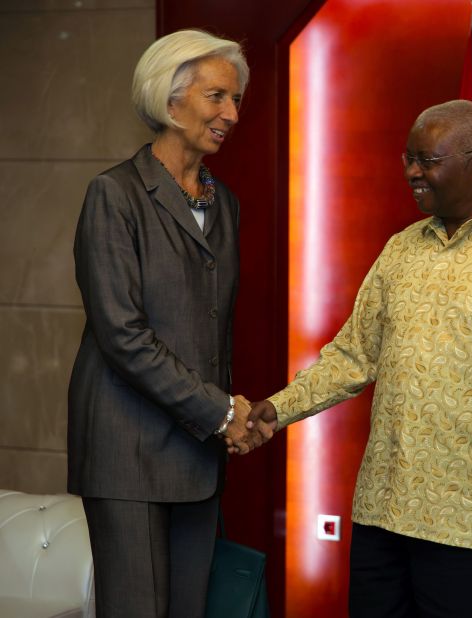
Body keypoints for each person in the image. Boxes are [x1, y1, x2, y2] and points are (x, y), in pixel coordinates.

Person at [242, 100, 472, 617]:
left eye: (427, 160)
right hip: (384, 513)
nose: (411, 172)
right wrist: (280, 406)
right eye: (408, 157)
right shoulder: (402, 249)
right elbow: (354, 356)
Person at [67, 29, 274, 618]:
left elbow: (212, 327)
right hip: (126, 451)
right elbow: (122, 336)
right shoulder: (114, 195)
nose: (231, 114)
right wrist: (221, 412)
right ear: (170, 98)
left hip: (197, 453)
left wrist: (229, 419)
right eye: (217, 97)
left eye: (236, 100)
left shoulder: (224, 203)